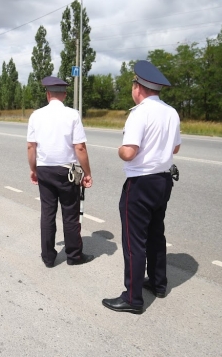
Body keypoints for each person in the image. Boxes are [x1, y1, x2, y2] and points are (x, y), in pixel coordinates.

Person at [102, 60, 181, 314]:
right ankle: (158, 282)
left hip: (140, 184)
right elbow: (175, 148)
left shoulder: (139, 113)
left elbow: (129, 152)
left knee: (134, 241)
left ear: (138, 87)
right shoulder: (171, 112)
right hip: (163, 181)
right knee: (156, 234)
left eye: (133, 84)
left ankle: (133, 298)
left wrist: (119, 149)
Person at [27, 76, 94, 268]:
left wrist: (33, 169)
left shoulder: (35, 115)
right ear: (64, 95)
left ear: (48, 94)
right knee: (70, 214)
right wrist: (87, 173)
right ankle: (74, 256)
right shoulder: (72, 115)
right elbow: (80, 148)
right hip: (67, 171)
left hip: (44, 169)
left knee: (47, 213)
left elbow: (31, 147)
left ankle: (48, 257)